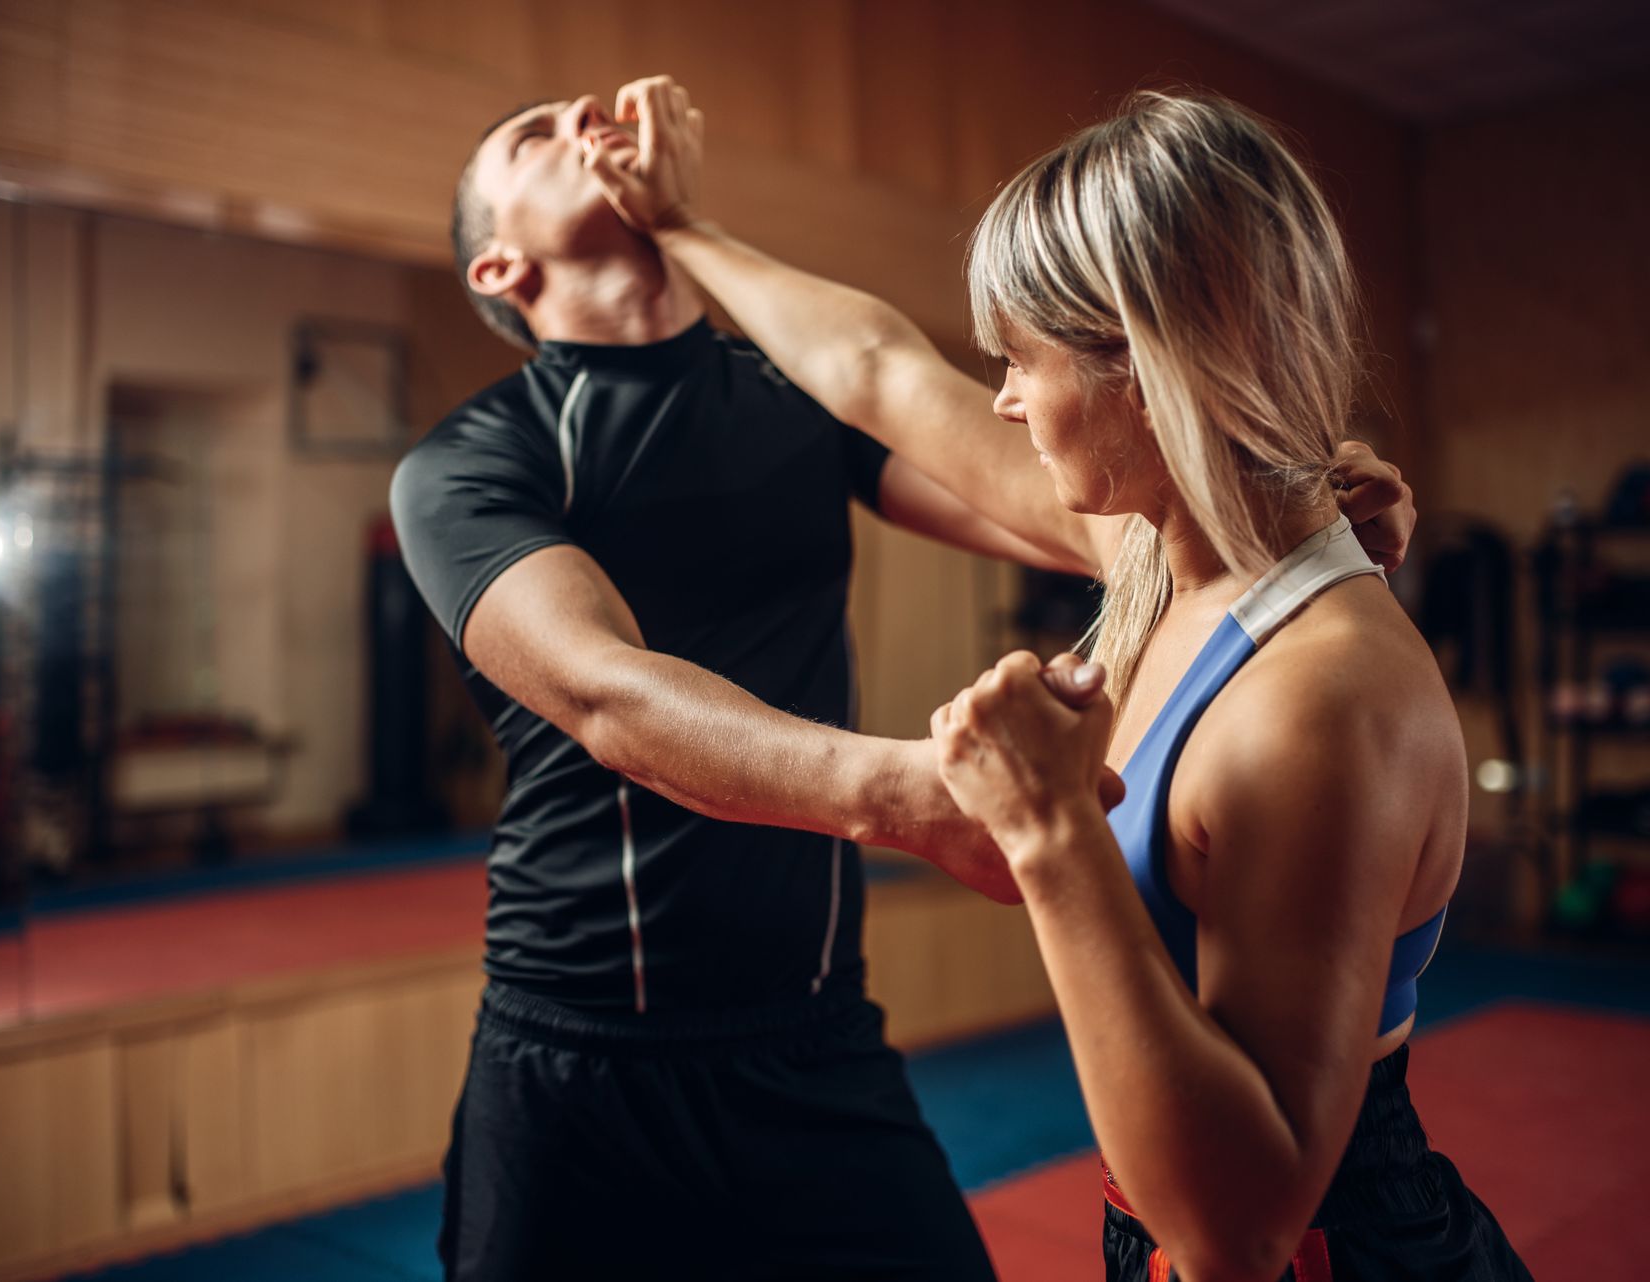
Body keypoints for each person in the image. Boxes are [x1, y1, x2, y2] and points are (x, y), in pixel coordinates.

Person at [392, 90, 1417, 1282]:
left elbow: (1047, 488)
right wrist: (926, 795)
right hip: (576, 1042)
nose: (581, 117)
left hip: (811, 1027)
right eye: (533, 136)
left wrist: (1275, 492)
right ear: (497, 262)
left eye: (585, 106)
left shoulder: (788, 397)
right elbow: (608, 694)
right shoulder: (470, 461)